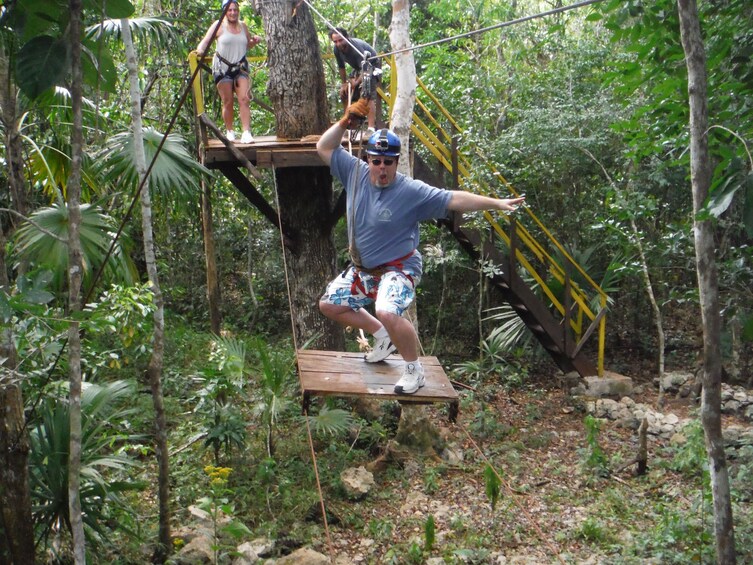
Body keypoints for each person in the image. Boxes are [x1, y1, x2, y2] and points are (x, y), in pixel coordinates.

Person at [316, 99, 526, 395]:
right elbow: (324, 148)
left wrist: (495, 204)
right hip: (365, 269)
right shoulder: (355, 173)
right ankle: (382, 337)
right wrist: (344, 123)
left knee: (387, 309)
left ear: (396, 161)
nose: (382, 168)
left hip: (398, 267)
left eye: (388, 162)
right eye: (376, 161)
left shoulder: (410, 191)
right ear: (368, 159)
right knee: (329, 305)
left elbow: (453, 198)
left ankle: (414, 370)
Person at [197, 0, 262, 144]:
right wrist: (199, 51)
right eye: (229, 10)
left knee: (244, 99)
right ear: (224, 12)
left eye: (235, 10)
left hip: (240, 66)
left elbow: (247, 44)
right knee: (227, 101)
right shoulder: (218, 26)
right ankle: (230, 131)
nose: (233, 13)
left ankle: (246, 132)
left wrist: (254, 41)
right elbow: (206, 41)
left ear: (238, 11)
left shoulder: (243, 26)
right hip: (223, 67)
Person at [329, 28, 381, 133]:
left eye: (341, 40)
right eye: (335, 41)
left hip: (371, 67)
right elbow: (341, 67)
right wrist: (344, 84)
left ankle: (371, 128)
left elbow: (366, 68)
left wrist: (356, 83)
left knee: (367, 94)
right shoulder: (336, 49)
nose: (338, 44)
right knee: (344, 93)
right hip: (358, 69)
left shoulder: (355, 49)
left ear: (346, 37)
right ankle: (348, 125)